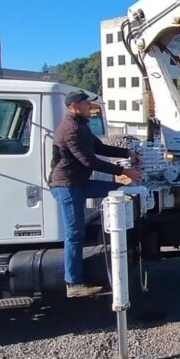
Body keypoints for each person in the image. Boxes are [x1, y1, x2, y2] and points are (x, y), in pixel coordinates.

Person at [49, 90, 142, 297]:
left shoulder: (81, 126)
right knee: (74, 234)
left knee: (119, 191)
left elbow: (100, 147)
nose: (89, 107)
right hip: (67, 185)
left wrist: (128, 153)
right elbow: (88, 161)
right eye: (85, 104)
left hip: (79, 183)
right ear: (74, 106)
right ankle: (73, 284)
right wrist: (123, 171)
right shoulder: (70, 129)